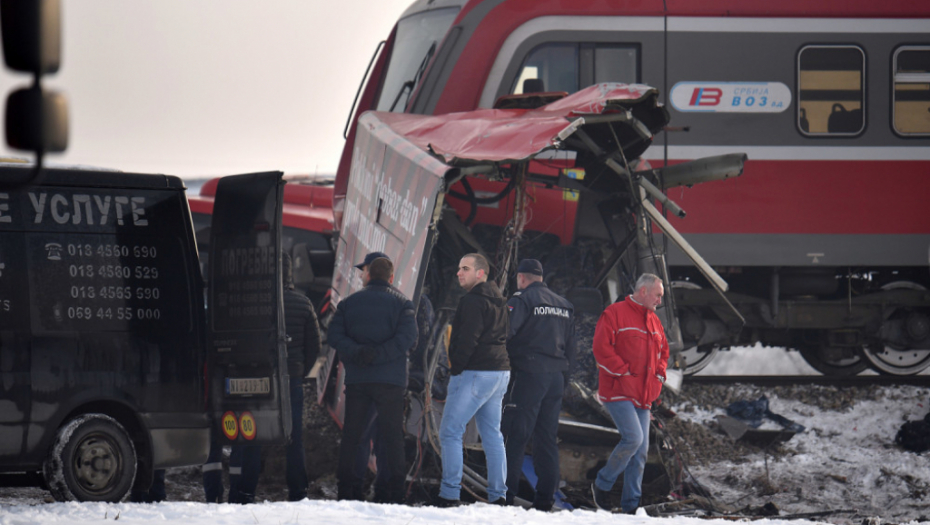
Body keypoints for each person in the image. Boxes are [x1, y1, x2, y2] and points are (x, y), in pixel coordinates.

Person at [202, 252, 322, 503]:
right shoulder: (303, 303)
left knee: (253, 434)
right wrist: (298, 370)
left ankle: (247, 491)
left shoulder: (255, 303)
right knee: (294, 437)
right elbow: (315, 347)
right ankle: (298, 493)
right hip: (291, 380)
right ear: (291, 274)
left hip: (261, 378)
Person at [328, 253, 418, 504]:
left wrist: (359, 352)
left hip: (358, 380)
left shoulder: (349, 303)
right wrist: (380, 355)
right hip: (390, 382)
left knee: (353, 436)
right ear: (391, 277)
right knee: (392, 438)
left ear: (368, 275)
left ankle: (346, 491)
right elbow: (407, 340)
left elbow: (334, 336)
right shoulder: (403, 304)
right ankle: (395, 493)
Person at [590, 273, 669, 514]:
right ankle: (602, 485)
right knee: (633, 439)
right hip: (618, 391)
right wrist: (623, 373)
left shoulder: (654, 321)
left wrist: (659, 377)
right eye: (658, 295)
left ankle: (631, 507)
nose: (659, 300)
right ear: (643, 291)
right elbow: (601, 348)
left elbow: (663, 353)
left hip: (643, 396)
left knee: (641, 451)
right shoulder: (614, 313)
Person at [437, 253, 510, 507]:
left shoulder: (472, 301)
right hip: (500, 373)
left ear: (480, 273)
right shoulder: (500, 300)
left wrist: (456, 369)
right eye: (459, 268)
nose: (459, 273)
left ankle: (449, 494)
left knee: (449, 432)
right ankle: (498, 495)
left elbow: (467, 339)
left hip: (476, 372)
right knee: (492, 434)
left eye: (465, 268)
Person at [500, 259, 574, 511]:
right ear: (541, 277)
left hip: (529, 374)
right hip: (556, 377)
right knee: (546, 439)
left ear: (521, 278)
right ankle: (544, 500)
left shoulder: (521, 299)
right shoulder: (564, 305)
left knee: (516, 435)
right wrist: (564, 379)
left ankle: (504, 498)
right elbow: (572, 349)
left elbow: (504, 333)